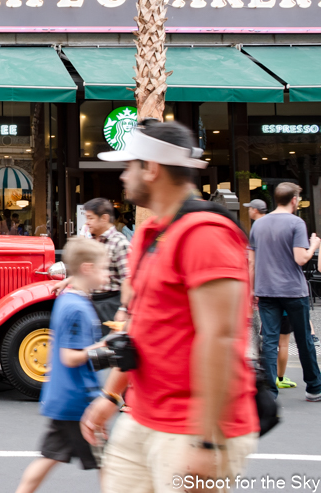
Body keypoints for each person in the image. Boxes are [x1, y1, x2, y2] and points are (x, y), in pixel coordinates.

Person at [81, 119, 259, 492]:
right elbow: (138, 328)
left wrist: (206, 442)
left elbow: (223, 339)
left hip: (192, 427)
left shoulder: (206, 234)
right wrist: (111, 396)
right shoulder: (150, 233)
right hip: (142, 416)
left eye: (129, 165)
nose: (123, 175)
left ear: (152, 168)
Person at [15, 237, 107, 493]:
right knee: (107, 465)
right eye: (103, 268)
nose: (107, 274)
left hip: (64, 398)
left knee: (49, 457)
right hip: (81, 402)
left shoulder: (67, 299)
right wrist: (101, 349)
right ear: (87, 268)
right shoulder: (77, 307)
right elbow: (69, 356)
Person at [249, 182, 321, 401]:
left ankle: (270, 392)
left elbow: (251, 262)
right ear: (294, 200)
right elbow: (301, 258)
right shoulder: (296, 222)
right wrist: (314, 246)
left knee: (269, 341)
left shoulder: (258, 225)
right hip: (292, 290)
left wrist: (253, 289)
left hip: (266, 290)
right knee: (303, 339)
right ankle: (314, 387)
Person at [53, 198, 131, 327]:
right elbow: (87, 270)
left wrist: (123, 309)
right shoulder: (95, 240)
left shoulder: (119, 243)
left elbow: (128, 278)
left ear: (104, 218)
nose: (87, 223)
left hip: (111, 304)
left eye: (90, 218)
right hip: (94, 301)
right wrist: (65, 282)